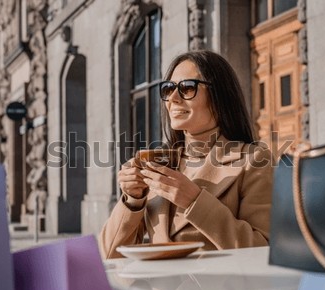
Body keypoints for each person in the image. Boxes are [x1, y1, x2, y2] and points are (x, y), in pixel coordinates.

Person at [99, 50, 273, 259]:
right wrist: (132, 201)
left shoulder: (254, 159)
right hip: (158, 289)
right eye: (168, 89)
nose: (173, 98)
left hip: (220, 289)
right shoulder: (158, 161)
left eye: (187, 88)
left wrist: (195, 201)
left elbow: (263, 250)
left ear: (219, 95)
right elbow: (109, 256)